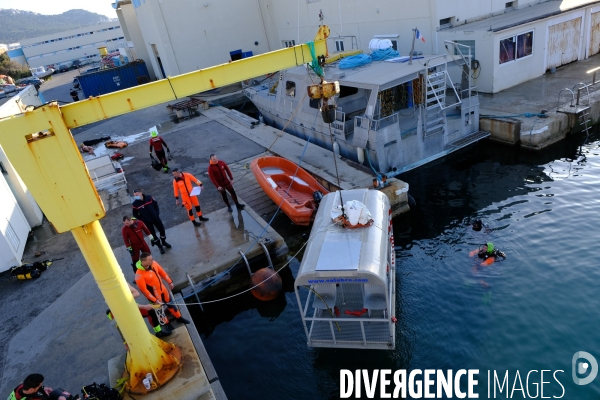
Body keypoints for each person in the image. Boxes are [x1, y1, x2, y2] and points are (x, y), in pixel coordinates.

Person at [134, 252, 190, 324]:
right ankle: (166, 323)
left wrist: (170, 282)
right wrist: (154, 300)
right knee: (159, 310)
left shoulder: (154, 263)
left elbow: (162, 272)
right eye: (150, 260)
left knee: (171, 304)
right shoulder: (139, 275)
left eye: (152, 259)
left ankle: (179, 317)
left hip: (163, 289)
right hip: (154, 294)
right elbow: (144, 290)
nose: (152, 260)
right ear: (143, 262)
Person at [107, 283, 172, 339]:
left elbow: (137, 293)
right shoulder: (111, 291)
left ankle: (158, 332)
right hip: (121, 313)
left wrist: (126, 299)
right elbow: (122, 305)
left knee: (151, 312)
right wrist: (144, 306)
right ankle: (129, 344)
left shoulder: (123, 283)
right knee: (126, 329)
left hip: (132, 306)